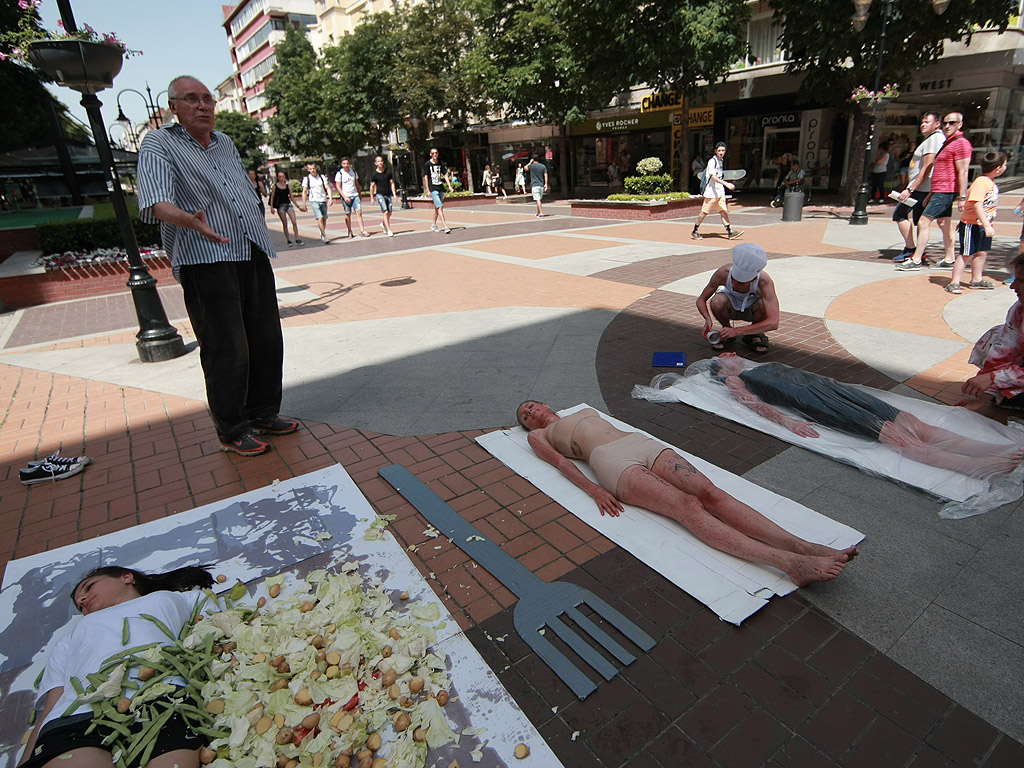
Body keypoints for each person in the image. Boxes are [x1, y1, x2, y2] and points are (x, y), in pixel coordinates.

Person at [516, 402, 857, 586]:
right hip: (609, 460)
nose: (531, 412)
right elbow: (561, 462)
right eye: (525, 416)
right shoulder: (540, 436)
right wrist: (592, 488)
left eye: (531, 406)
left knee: (709, 492)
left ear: (545, 403)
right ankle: (788, 563)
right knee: (686, 505)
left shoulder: (579, 408)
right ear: (529, 426)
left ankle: (803, 546)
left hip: (639, 443)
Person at [138, 76, 298, 457]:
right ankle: (232, 428)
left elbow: (241, 187)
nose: (202, 105)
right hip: (204, 256)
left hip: (249, 250)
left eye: (207, 98)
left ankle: (262, 412)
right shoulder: (159, 143)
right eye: (191, 99)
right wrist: (188, 220)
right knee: (226, 347)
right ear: (172, 108)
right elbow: (156, 201)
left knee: (264, 338)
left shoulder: (225, 142)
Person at [18, 565, 215, 768]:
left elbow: (216, 632)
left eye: (89, 587)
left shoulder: (178, 598)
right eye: (79, 604)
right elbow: (52, 704)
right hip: (79, 715)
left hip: (163, 699)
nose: (81, 600)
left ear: (126, 577)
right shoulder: (69, 639)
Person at [708, 352, 1022, 478]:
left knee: (910, 422)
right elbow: (750, 403)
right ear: (722, 365)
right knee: (895, 436)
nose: (734, 354)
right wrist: (787, 420)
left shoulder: (757, 368)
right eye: (727, 355)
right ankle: (976, 467)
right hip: (821, 404)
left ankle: (988, 450)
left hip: (833, 391)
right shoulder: (734, 378)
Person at [897, 112, 972, 272]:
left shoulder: (961, 143)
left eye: (952, 123)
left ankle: (916, 259)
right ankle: (949, 258)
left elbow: (963, 171)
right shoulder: (948, 142)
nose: (947, 126)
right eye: (946, 122)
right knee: (944, 224)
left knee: (924, 222)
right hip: (939, 190)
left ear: (960, 124)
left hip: (946, 190)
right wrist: (931, 193)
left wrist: (962, 197)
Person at [963, 253, 1024, 410]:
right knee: (996, 334)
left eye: (1021, 281)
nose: (1012, 286)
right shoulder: (1019, 308)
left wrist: (994, 378)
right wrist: (986, 391)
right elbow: (1004, 350)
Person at [696, 243, 779, 353]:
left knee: (763, 304)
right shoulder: (723, 273)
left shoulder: (764, 282)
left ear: (752, 280)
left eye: (741, 283)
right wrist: (707, 319)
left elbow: (773, 322)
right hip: (730, 306)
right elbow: (701, 299)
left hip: (753, 311)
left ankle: (754, 334)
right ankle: (727, 330)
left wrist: (738, 331)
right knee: (717, 301)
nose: (734, 285)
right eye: (733, 280)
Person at [946, 152, 1006, 294]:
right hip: (972, 225)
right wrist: (986, 224)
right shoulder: (981, 182)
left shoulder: (989, 182)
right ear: (997, 168)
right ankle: (954, 282)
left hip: (984, 225)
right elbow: (976, 205)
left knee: (982, 252)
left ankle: (976, 279)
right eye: (1004, 165)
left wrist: (987, 224)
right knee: (966, 254)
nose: (1005, 168)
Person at [894, 113, 943, 263]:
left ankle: (911, 249)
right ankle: (918, 251)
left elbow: (928, 166)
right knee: (919, 221)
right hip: (922, 188)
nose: (923, 124)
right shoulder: (931, 139)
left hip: (921, 189)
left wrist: (910, 189)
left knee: (900, 214)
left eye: (927, 122)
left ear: (937, 124)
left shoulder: (934, 139)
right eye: (922, 122)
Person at [692, 142, 742, 240]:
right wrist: (726, 184)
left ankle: (729, 231)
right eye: (719, 151)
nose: (721, 152)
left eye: (723, 150)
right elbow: (713, 177)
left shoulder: (721, 161)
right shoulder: (712, 161)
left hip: (719, 191)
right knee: (704, 213)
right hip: (711, 192)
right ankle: (695, 230)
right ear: (715, 151)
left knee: (723, 211)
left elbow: (719, 176)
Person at [333, 158, 370, 239]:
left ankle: (362, 230)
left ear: (350, 164)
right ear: (342, 164)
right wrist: (344, 197)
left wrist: (359, 194)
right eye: (344, 164)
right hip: (346, 196)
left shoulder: (353, 172)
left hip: (354, 195)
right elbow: (338, 186)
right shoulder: (340, 173)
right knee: (348, 214)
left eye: (347, 163)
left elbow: (357, 184)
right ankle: (349, 231)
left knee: (359, 212)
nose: (346, 165)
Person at [301, 163, 333, 244]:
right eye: (310, 169)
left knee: (324, 218)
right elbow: (304, 191)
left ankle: (322, 232)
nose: (312, 170)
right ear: (308, 170)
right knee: (320, 218)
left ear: (316, 168)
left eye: (313, 168)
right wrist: (304, 204)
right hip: (314, 200)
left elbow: (327, 188)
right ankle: (324, 235)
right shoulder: (307, 179)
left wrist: (330, 198)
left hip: (323, 199)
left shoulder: (322, 177)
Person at [269, 171, 302, 247]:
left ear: (285, 177)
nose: (281, 178)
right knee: (285, 224)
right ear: (278, 177)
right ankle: (288, 240)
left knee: (294, 222)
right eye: (280, 177)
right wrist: (271, 207)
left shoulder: (288, 186)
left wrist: (298, 206)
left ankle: (297, 238)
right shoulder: (275, 186)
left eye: (282, 176)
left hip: (288, 205)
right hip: (281, 206)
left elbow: (292, 197)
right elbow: (272, 197)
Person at [423, 148, 452, 234]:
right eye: (433, 153)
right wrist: (428, 190)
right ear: (430, 154)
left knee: (437, 208)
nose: (435, 155)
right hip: (433, 188)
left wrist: (449, 186)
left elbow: (445, 174)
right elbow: (426, 177)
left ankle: (433, 224)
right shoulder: (427, 164)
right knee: (440, 206)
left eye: (436, 153)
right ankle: (445, 226)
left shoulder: (441, 163)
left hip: (440, 187)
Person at [368, 155, 397, 238]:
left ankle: (383, 224)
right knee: (385, 212)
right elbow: (372, 186)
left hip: (388, 194)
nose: (380, 163)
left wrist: (394, 194)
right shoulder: (374, 175)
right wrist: (372, 197)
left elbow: (392, 183)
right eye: (378, 161)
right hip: (380, 194)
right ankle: (389, 230)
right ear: (375, 163)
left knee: (389, 213)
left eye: (381, 161)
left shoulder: (388, 173)